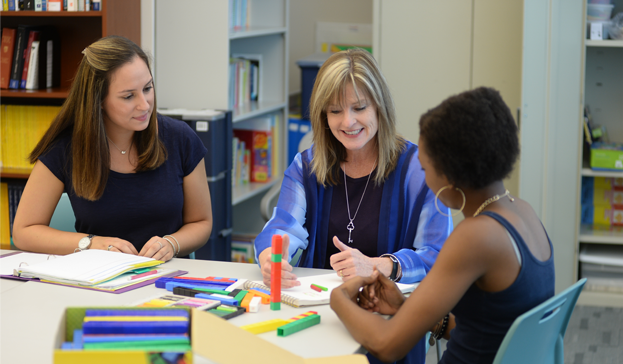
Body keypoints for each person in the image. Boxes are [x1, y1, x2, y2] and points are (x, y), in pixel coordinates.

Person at [254, 48, 453, 364]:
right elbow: (281, 226)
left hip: (390, 329)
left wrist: (379, 265)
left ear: (380, 108)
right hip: (320, 323)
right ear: (322, 116)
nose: (347, 122)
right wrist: (272, 257)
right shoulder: (307, 165)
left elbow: (439, 257)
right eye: (334, 111)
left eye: (359, 107)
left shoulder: (420, 169)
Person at [330, 87, 555, 364]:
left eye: (425, 169)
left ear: (450, 174)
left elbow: (386, 345)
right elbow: (488, 327)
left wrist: (338, 299)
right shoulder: (523, 211)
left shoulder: (476, 236)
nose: (424, 179)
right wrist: (404, 306)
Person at [12, 35, 212, 261]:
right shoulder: (66, 148)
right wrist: (91, 243)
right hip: (96, 282)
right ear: (97, 100)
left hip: (166, 280)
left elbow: (201, 222)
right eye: (128, 96)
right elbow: (24, 232)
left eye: (148, 88)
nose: (144, 105)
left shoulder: (180, 138)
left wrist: (172, 243)